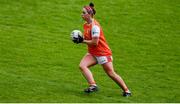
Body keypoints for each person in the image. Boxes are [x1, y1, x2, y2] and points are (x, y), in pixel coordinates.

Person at [72, 2, 131, 97]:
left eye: (83, 13)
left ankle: (126, 90)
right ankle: (93, 85)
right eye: (82, 12)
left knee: (111, 73)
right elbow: (88, 37)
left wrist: (82, 41)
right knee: (82, 66)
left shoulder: (95, 27)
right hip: (93, 53)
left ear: (89, 14)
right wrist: (79, 37)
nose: (81, 14)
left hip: (103, 53)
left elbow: (95, 42)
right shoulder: (86, 24)